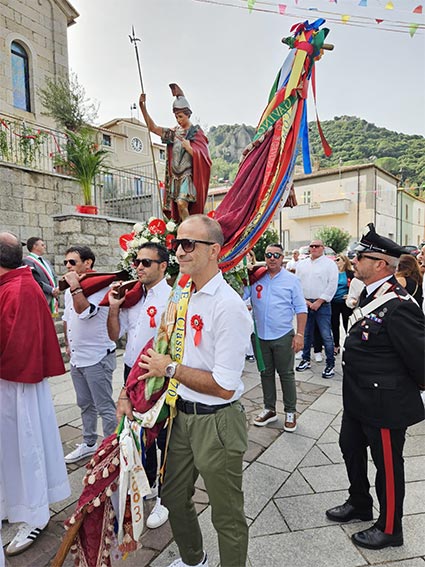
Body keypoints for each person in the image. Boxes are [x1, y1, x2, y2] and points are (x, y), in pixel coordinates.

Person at [134, 214, 252, 567]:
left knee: (226, 513)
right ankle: (193, 559)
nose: (179, 252)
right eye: (177, 244)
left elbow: (223, 385)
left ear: (214, 250)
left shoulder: (227, 306)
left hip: (217, 421)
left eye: (188, 244)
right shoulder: (183, 294)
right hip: (181, 414)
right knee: (172, 494)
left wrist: (169, 368)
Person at [325, 224, 425, 551]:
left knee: (388, 465)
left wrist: (402, 391)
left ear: (381, 263)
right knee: (349, 447)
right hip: (358, 398)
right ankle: (359, 502)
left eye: (361, 256)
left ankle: (390, 527)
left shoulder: (399, 304)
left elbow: (420, 359)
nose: (354, 260)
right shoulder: (370, 294)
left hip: (384, 402)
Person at [0, 232, 70, 556]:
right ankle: (11, 505)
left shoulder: (20, 289)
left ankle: (35, 515)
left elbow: (20, 344)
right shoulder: (14, 284)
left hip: (19, 386)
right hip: (9, 382)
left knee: (26, 448)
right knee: (9, 451)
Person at [107, 242, 171, 529]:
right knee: (136, 431)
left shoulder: (172, 298)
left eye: (147, 262)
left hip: (156, 374)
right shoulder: (132, 298)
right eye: (137, 262)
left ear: (163, 266)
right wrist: (113, 307)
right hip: (130, 369)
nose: (140, 267)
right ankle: (146, 483)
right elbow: (114, 335)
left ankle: (166, 494)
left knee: (164, 435)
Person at [62, 245, 117, 463]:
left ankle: (112, 450)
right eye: (66, 262)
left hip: (97, 356)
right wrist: (68, 344)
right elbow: (68, 318)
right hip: (77, 357)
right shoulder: (69, 290)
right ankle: (89, 443)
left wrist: (75, 287)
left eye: (72, 262)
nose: (67, 266)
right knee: (85, 403)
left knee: (105, 407)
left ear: (88, 263)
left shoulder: (101, 287)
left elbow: (85, 312)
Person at [250, 243, 307, 431]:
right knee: (265, 373)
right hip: (260, 336)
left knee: (286, 375)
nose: (272, 258)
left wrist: (299, 334)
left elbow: (300, 308)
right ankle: (269, 409)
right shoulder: (257, 278)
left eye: (276, 255)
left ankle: (290, 411)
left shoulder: (291, 280)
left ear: (283, 258)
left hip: (282, 335)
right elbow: (244, 299)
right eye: (268, 255)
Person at [139, 84, 211, 222]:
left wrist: (189, 147)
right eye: (176, 117)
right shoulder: (173, 133)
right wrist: (142, 107)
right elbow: (153, 128)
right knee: (177, 209)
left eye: (181, 116)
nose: (178, 120)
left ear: (188, 114)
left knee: (182, 204)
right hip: (174, 177)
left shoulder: (196, 132)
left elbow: (205, 158)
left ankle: (188, 231)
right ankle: (182, 230)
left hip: (187, 176)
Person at [295, 239, 338, 378]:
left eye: (317, 246)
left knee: (326, 335)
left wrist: (319, 301)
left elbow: (332, 285)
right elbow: (297, 284)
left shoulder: (330, 264)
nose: (314, 248)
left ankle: (330, 364)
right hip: (305, 303)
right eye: (311, 246)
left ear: (323, 248)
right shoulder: (302, 264)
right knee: (306, 334)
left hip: (323, 304)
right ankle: (306, 359)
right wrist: (305, 301)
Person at [23, 236, 59, 315]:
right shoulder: (27, 261)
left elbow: (54, 276)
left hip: (52, 298)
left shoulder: (46, 261)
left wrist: (57, 288)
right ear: (34, 246)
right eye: (42, 245)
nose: (45, 247)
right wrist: (51, 290)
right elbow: (35, 279)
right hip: (41, 298)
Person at [331, 254, 355, 355]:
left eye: (338, 260)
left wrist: (349, 294)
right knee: (334, 324)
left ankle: (349, 344)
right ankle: (336, 345)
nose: (336, 262)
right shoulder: (332, 273)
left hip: (345, 302)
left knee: (347, 323)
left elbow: (355, 286)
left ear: (344, 261)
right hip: (334, 302)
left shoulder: (350, 273)